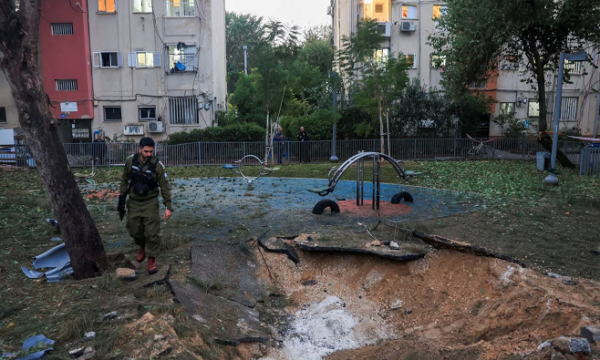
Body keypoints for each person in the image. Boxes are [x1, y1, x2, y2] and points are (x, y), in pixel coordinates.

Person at [119, 137, 173, 275]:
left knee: (152, 232)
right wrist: (121, 198)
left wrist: (168, 206)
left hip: (150, 201)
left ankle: (151, 260)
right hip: (134, 201)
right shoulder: (130, 161)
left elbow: (164, 186)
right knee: (133, 228)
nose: (149, 154)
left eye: (151, 151)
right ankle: (142, 246)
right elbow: (124, 179)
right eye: (146, 151)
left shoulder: (158, 166)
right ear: (140, 149)